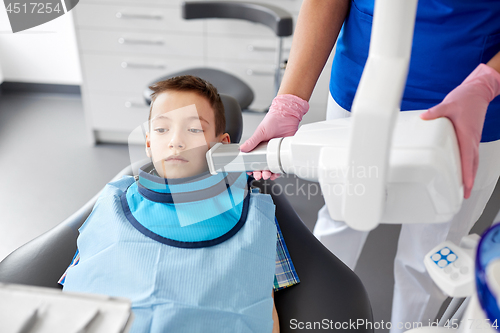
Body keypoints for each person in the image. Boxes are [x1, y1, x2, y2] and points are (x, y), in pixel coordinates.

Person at [240, 0, 500, 331]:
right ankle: (308, 320)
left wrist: (487, 83)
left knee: (431, 248)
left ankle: (410, 326)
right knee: (342, 215)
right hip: (362, 86)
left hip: (471, 102)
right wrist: (289, 102)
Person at [59, 75, 299, 333]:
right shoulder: (112, 203)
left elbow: (265, 305)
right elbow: (76, 286)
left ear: (222, 145)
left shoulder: (254, 214)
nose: (176, 141)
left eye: (194, 129)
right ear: (149, 144)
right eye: (162, 130)